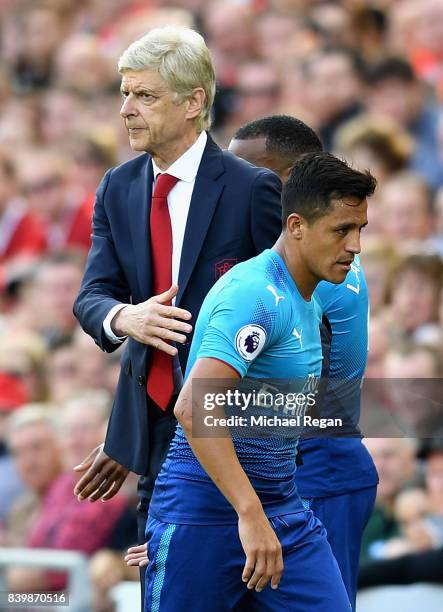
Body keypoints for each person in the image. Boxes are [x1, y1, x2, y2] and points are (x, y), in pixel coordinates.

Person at [72, 25, 281, 603]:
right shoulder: (117, 187)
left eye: (144, 96)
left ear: (194, 102)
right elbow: (92, 297)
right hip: (157, 433)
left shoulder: (252, 190)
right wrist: (126, 318)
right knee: (162, 591)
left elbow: (288, 313)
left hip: (238, 435)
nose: (126, 110)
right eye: (124, 93)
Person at [135, 152, 374, 610]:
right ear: (297, 225)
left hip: (282, 507)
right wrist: (248, 514)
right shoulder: (255, 294)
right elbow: (193, 406)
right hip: (205, 510)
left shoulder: (308, 298)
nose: (355, 245)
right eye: (342, 230)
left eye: (361, 229)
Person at [228, 115, 378, 609]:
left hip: (316, 471)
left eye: (244, 173)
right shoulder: (285, 267)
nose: (230, 186)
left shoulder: (318, 278)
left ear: (289, 185)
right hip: (298, 468)